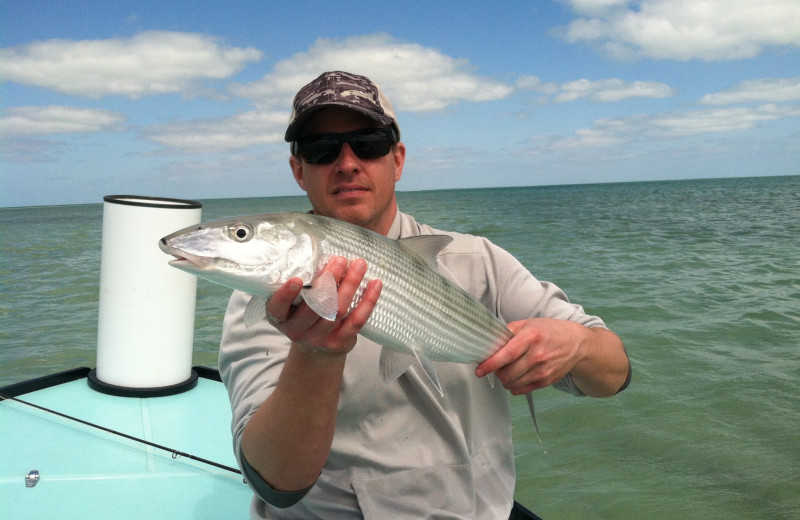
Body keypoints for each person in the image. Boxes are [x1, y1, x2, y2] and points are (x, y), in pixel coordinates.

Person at [218, 71, 631, 519]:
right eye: (321, 150)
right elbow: (275, 482)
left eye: (369, 143)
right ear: (299, 171)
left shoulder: (478, 260)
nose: (348, 163)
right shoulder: (267, 300)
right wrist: (316, 354)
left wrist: (577, 344)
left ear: (397, 159)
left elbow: (613, 377)